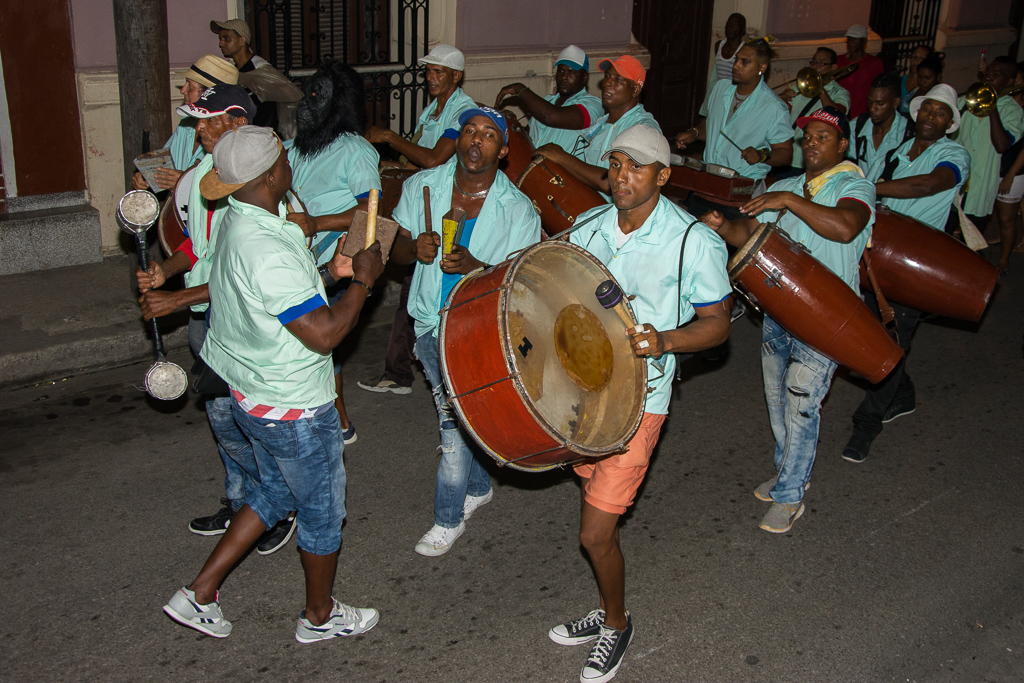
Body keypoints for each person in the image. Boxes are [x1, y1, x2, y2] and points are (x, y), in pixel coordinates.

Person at [163, 125, 385, 642]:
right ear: (269, 176)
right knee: (323, 516)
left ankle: (198, 593)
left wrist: (329, 275)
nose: (292, 166)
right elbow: (325, 334)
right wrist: (364, 281)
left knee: (270, 493)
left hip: (251, 397)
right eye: (286, 160)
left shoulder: (238, 221)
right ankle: (320, 617)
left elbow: (274, 301)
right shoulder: (266, 246)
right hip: (295, 411)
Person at [548, 126, 731, 683]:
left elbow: (718, 325)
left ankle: (617, 623)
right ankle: (607, 603)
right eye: (616, 165)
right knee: (594, 500)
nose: (622, 177)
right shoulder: (589, 226)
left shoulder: (692, 241)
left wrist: (667, 340)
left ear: (663, 175)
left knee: (594, 533)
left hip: (642, 402)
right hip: (583, 395)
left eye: (637, 167)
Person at [136, 86, 297, 554]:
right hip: (208, 317)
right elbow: (200, 246)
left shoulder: (257, 183)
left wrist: (175, 299)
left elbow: (241, 269)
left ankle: (275, 504)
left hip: (241, 319)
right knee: (223, 417)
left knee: (242, 418)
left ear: (234, 119)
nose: (196, 128)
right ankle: (242, 500)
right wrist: (164, 270)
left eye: (204, 119)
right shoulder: (207, 175)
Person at [703, 107, 875, 533]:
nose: (812, 143)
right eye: (807, 137)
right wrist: (724, 226)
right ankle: (788, 470)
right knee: (778, 399)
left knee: (802, 402)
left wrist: (789, 200)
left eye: (822, 137)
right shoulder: (788, 185)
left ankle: (791, 493)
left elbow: (846, 228)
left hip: (828, 316)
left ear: (842, 145)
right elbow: (751, 235)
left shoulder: (855, 185)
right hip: (780, 311)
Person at [388, 106, 540, 557]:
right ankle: (478, 486)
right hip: (430, 323)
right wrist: (411, 248)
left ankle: (446, 517)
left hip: (479, 331)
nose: (476, 141)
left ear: (504, 149)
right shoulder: (423, 188)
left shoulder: (518, 211)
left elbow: (525, 286)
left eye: (489, 135)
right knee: (456, 410)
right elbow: (389, 250)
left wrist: (480, 269)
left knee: (453, 419)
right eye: (469, 131)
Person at [842, 84, 970, 462]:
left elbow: (929, 184)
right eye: (926, 110)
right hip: (881, 258)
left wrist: (872, 186)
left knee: (893, 343)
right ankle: (903, 392)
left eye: (940, 113)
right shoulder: (898, 153)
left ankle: (866, 425)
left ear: (950, 123)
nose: (931, 117)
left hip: (917, 265)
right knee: (869, 339)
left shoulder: (953, 154)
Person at [283, 61, 383, 445]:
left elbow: (369, 210)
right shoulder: (294, 148)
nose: (305, 105)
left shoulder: (355, 151)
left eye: (316, 97)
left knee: (323, 341)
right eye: (307, 94)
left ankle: (337, 418)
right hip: (295, 261)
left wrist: (316, 223)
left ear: (337, 106)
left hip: (334, 261)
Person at [676, 38, 793, 200]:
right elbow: (711, 125)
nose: (736, 65)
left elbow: (786, 153)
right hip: (707, 182)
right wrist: (694, 133)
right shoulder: (720, 88)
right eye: (736, 59)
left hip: (742, 190)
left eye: (744, 62)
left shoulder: (773, 107)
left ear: (762, 67)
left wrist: (761, 155)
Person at [534, 54, 661, 199]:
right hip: (588, 206)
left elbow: (613, 183)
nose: (607, 83)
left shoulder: (643, 128)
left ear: (635, 90)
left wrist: (562, 157)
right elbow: (581, 169)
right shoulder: (600, 124)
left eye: (618, 79)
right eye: (607, 76)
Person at [130, 54, 238, 191]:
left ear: (209, 95)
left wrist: (185, 182)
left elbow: (227, 186)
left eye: (190, 86)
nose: (182, 90)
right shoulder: (186, 124)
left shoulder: (230, 136)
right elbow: (166, 163)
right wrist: (145, 177)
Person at [366, 44, 475, 169]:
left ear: (456, 76)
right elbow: (416, 165)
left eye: (438, 72)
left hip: (449, 186)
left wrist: (388, 136)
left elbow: (433, 160)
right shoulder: (429, 111)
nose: (429, 77)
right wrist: (382, 165)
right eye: (428, 70)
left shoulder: (464, 112)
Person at [953, 56, 1024, 237]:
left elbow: (1002, 145)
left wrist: (991, 107)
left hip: (980, 188)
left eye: (996, 74)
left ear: (1009, 81)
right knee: (944, 236)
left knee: (971, 242)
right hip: (954, 181)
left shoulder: (1013, 111)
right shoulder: (968, 100)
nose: (989, 77)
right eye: (989, 72)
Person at [493, 45, 603, 159]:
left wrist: (520, 89)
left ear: (584, 77)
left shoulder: (594, 105)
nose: (564, 77)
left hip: (563, 175)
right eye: (561, 71)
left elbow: (550, 116)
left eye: (571, 72)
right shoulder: (547, 101)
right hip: (532, 170)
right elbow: (526, 137)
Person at [210, 18, 302, 138]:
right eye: (220, 39)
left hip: (266, 136)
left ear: (242, 40)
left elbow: (290, 95)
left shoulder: (259, 68)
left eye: (226, 39)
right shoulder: (234, 71)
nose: (221, 43)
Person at [783, 47, 851, 170]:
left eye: (821, 63)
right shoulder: (799, 88)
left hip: (817, 161)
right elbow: (781, 115)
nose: (816, 66)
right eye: (814, 62)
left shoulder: (840, 92)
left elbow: (837, 113)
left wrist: (819, 88)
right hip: (791, 158)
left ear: (833, 67)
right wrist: (782, 97)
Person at [849, 73, 913, 171]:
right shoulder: (856, 126)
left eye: (880, 104)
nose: (872, 109)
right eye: (870, 102)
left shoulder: (908, 132)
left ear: (895, 102)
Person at [993, 66, 1024, 271]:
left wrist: (1010, 175)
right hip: (995, 167)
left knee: (1007, 219)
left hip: (1013, 170)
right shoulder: (1005, 102)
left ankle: (1003, 260)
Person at [836, 25, 885, 118]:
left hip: (862, 114)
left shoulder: (874, 63)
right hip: (840, 112)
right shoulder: (839, 61)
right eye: (849, 39)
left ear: (864, 42)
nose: (851, 43)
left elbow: (879, 89)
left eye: (854, 40)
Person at [711, 13, 747, 83]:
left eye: (734, 24)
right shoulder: (719, 45)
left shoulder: (744, 50)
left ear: (742, 29)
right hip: (719, 91)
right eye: (728, 23)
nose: (730, 27)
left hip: (733, 92)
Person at [899, 45, 933, 113]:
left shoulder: (927, 84)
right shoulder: (901, 80)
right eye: (914, 57)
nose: (916, 61)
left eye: (921, 58)